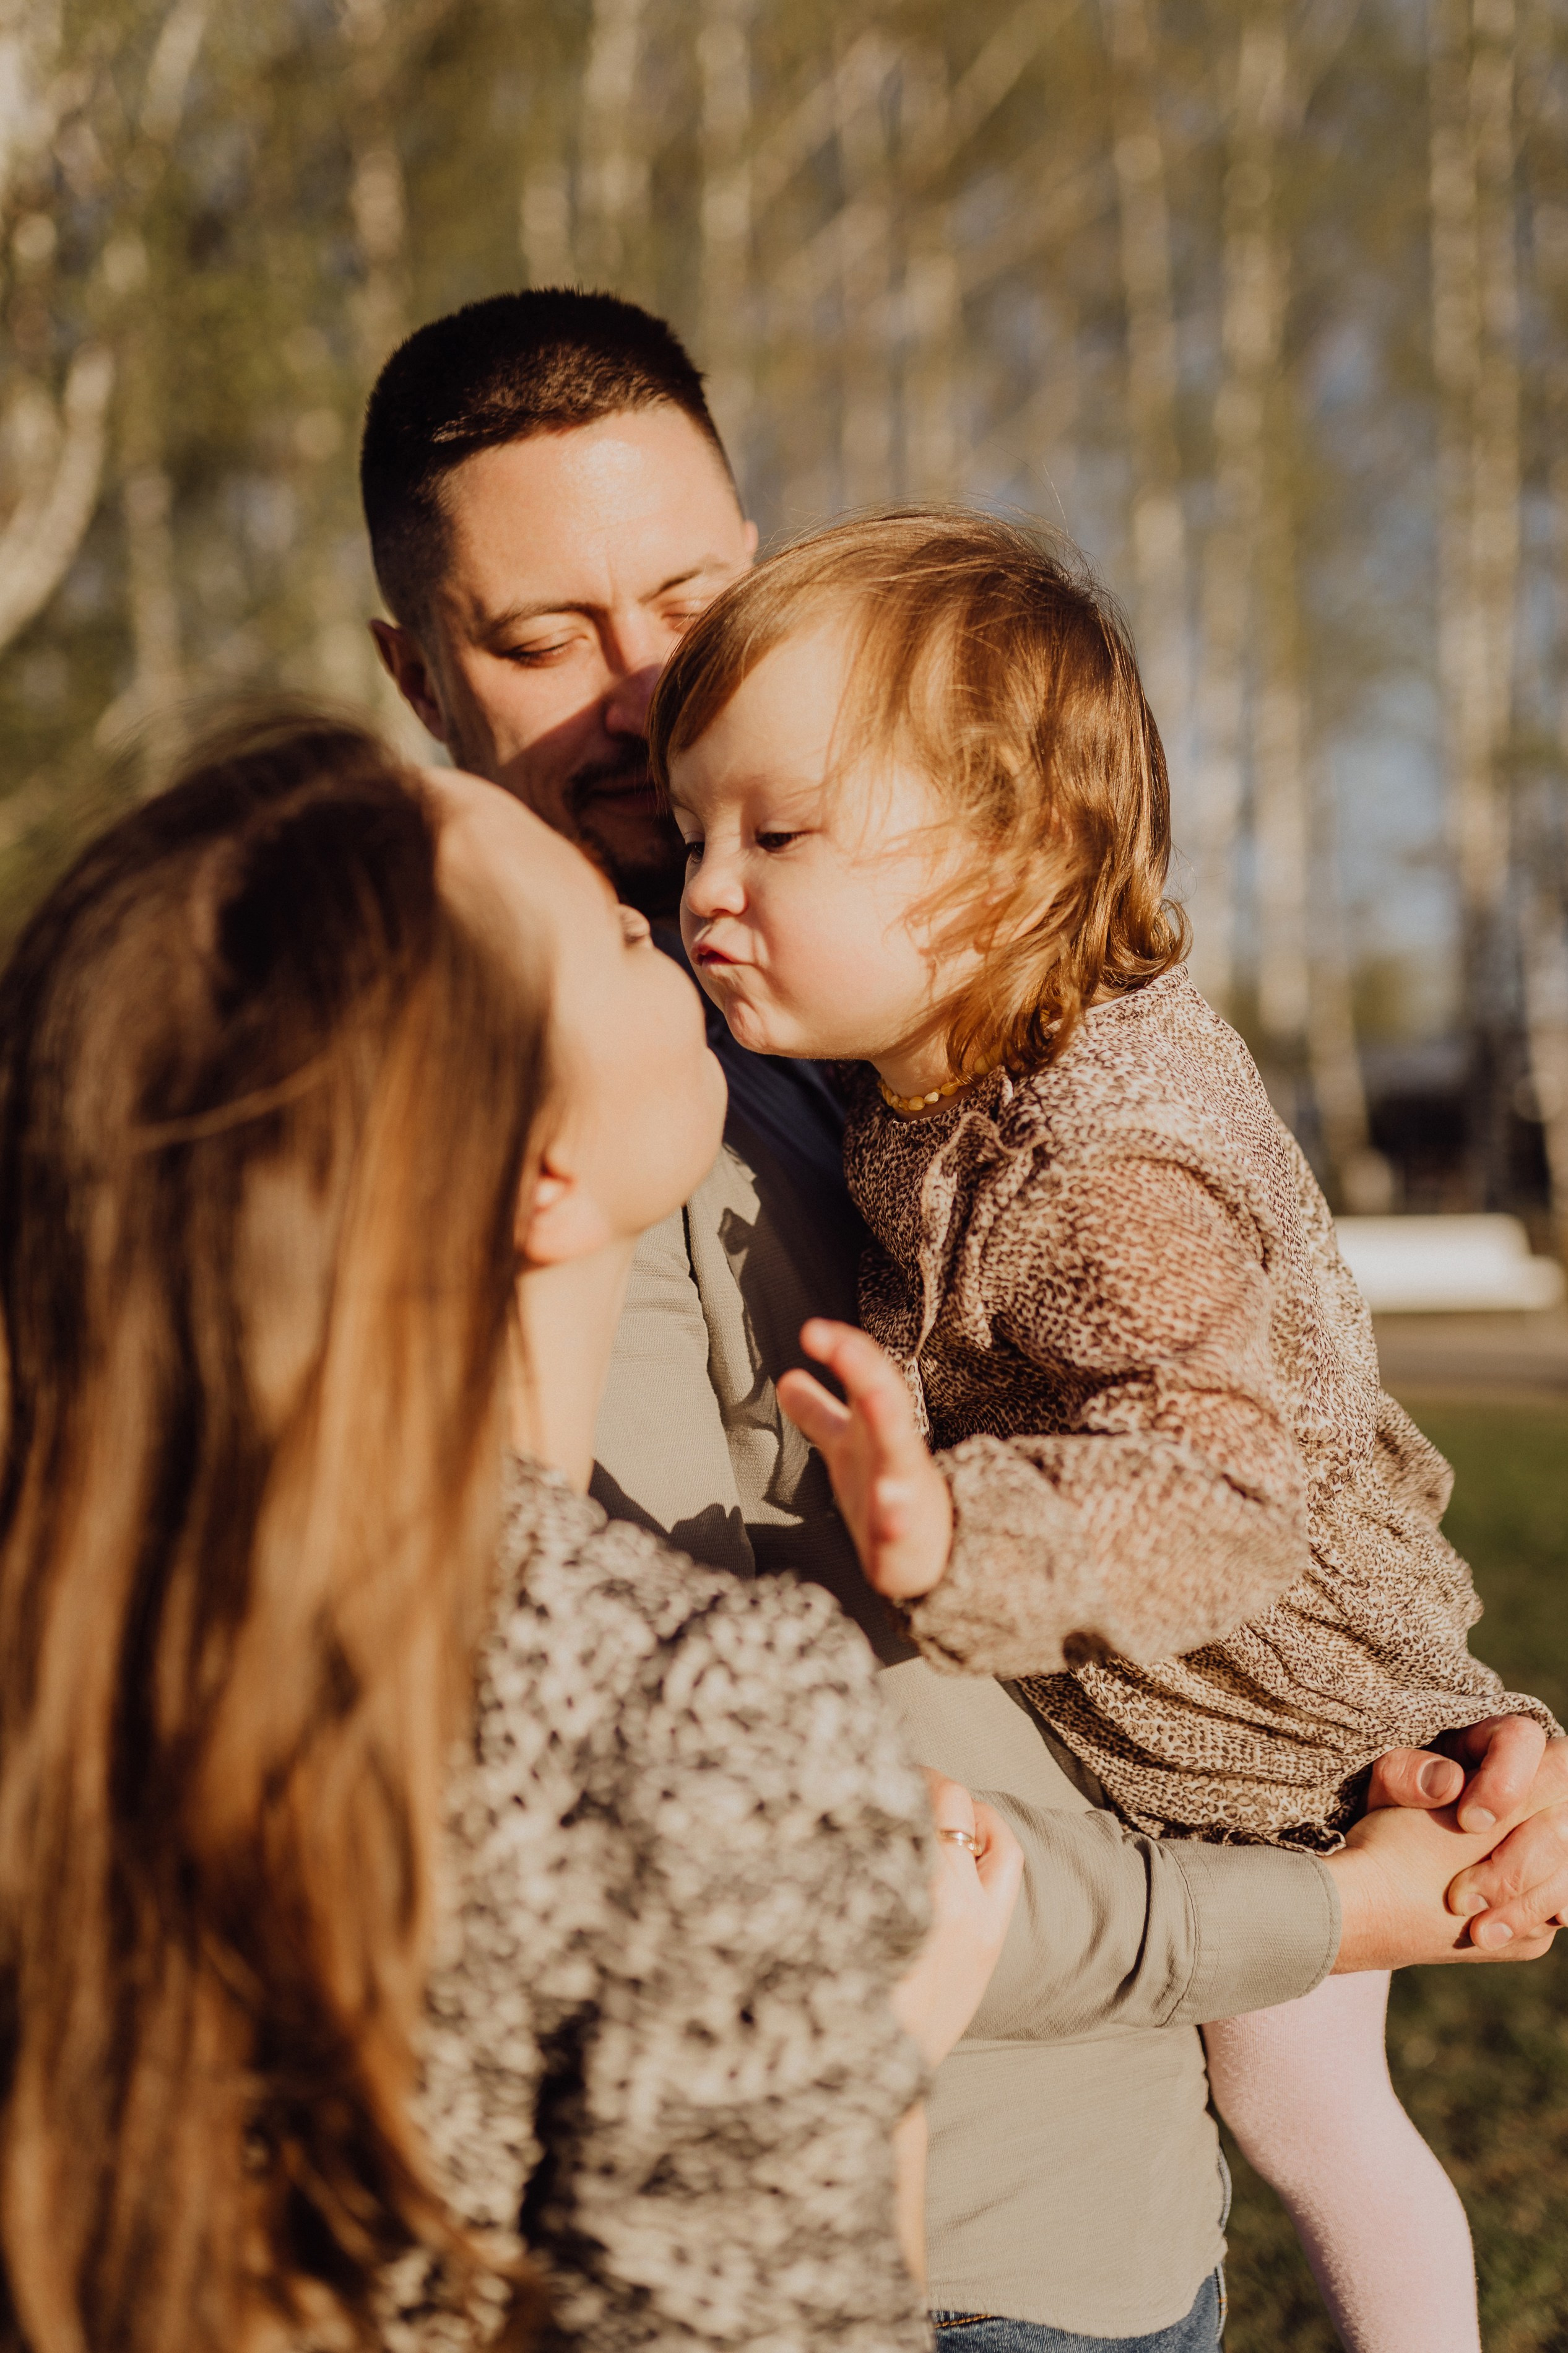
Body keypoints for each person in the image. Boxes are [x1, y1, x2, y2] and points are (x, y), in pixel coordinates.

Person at [361, 289, 1568, 2352]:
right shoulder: (433, 1109)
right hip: (775, 2233)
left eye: (691, 595)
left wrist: (1440, 1718)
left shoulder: (929, 1000)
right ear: (417, 672)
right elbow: (668, 1793)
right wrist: (1339, 1907)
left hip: (1100, 2218)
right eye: (545, 641)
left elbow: (1230, 1417)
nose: (653, 693)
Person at [649, 503, 1566, 2353]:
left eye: (779, 834)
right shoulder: (943, 1064)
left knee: (1310, 2112)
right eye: (689, 837)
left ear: (1006, 860)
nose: (704, 892)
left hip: (1268, 1717)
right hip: (1184, 1705)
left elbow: (1222, 1494)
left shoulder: (1107, 1148)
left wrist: (953, 1531)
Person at [0, 706, 1026, 2353]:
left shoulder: (75, 1632)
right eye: (619, 934)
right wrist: (872, 2057)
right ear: (538, 1170)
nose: (678, 939)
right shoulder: (702, 1710)